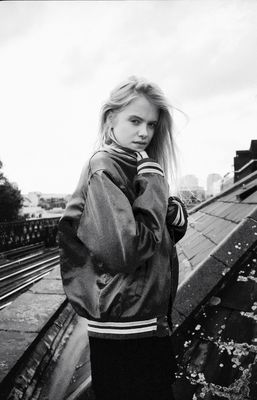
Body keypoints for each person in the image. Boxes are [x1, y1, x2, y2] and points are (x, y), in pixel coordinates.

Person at [58, 76, 188, 400]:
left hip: (145, 320)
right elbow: (126, 251)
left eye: (152, 124)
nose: (144, 132)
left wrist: (170, 211)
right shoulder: (104, 167)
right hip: (124, 331)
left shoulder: (133, 165)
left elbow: (158, 237)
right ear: (110, 119)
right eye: (135, 120)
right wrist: (155, 186)